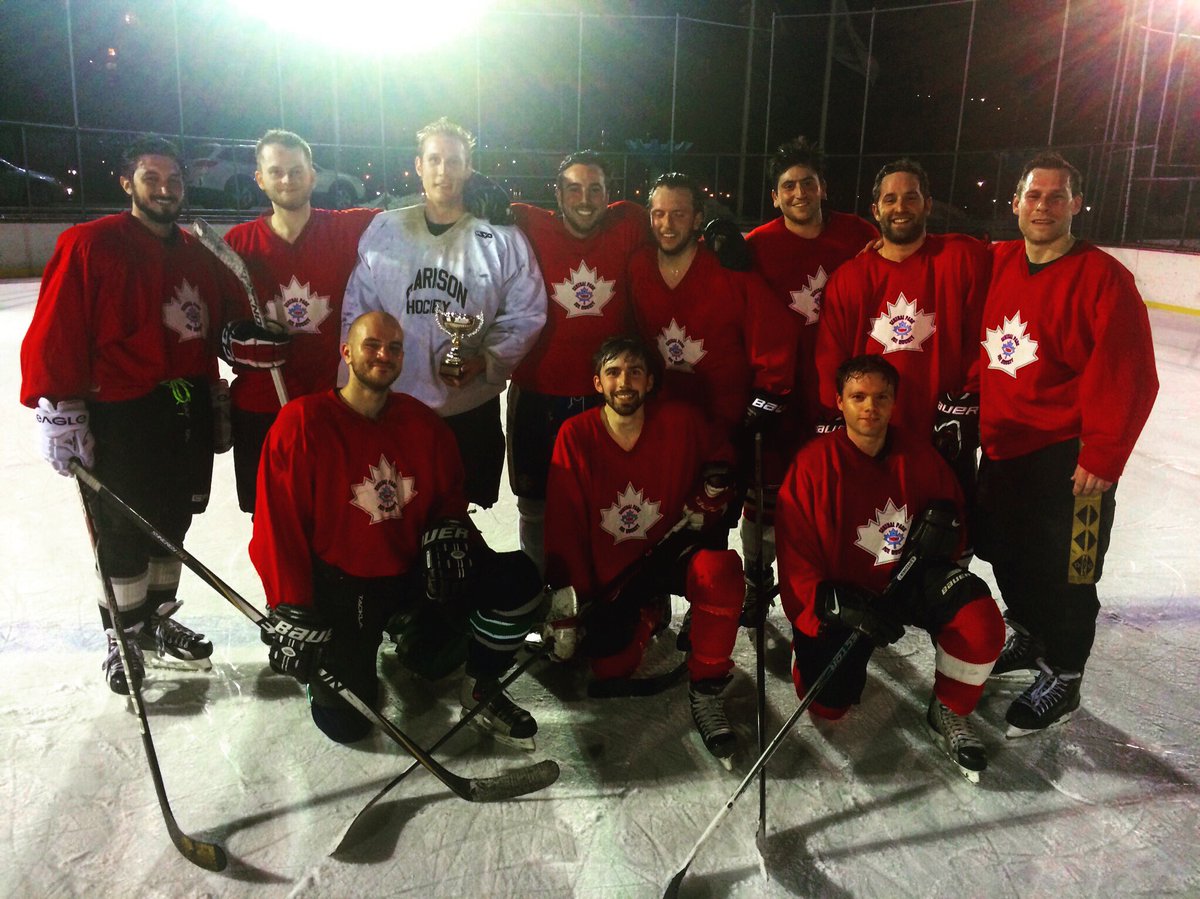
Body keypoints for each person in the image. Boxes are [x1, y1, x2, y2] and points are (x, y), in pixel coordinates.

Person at [249, 310, 545, 746]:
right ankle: (346, 658)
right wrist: (290, 606)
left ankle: (474, 679)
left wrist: (448, 525)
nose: (383, 355)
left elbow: (448, 496)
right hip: (347, 586)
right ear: (346, 352)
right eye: (372, 345)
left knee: (519, 583)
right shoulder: (301, 424)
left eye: (394, 348)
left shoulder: (422, 423)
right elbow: (277, 526)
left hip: (411, 573)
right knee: (346, 723)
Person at [20, 135, 234, 694]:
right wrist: (60, 407)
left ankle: (156, 621)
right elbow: (56, 329)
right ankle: (122, 635)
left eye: (174, 180)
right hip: (119, 413)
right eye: (151, 178)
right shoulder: (90, 243)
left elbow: (219, 327)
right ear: (127, 182)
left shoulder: (194, 252)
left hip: (182, 408)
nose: (165, 190)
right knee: (121, 532)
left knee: (173, 523)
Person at [976, 151, 1158, 737]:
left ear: (1077, 204)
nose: (1044, 207)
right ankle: (1028, 634)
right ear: (1015, 203)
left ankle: (1066, 673)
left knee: (1072, 571)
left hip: (1070, 458)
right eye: (1034, 196)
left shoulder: (1104, 277)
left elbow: (1129, 373)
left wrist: (1103, 455)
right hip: (1004, 449)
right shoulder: (997, 262)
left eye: (1057, 197)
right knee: (1005, 552)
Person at [775, 354, 1005, 780]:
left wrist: (946, 535)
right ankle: (803, 657)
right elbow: (794, 554)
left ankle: (949, 710)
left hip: (904, 582)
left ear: (895, 402)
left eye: (881, 397)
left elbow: (951, 522)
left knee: (979, 620)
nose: (870, 407)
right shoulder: (813, 465)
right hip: (844, 599)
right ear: (839, 402)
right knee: (829, 707)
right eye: (858, 396)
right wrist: (822, 602)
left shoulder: (920, 458)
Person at [544, 336, 746, 766]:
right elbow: (564, 525)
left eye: (635, 371)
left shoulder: (681, 421)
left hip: (668, 551)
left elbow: (722, 458)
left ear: (651, 380)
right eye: (613, 372)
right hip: (613, 572)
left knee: (721, 572)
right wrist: (569, 605)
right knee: (608, 667)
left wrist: (712, 490)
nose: (624, 382)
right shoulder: (575, 436)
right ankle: (648, 611)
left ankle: (708, 687)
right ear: (597, 383)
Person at [342, 117, 545, 509]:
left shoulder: (501, 237)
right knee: (394, 517)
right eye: (434, 160)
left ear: (469, 168)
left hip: (468, 409)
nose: (443, 171)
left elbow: (526, 311)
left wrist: (487, 358)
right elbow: (359, 310)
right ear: (418, 165)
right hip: (394, 407)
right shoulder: (385, 230)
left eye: (454, 161)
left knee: (460, 526)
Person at [742, 136, 880, 616]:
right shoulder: (755, 246)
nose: (798, 193)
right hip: (779, 393)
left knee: (834, 496)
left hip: (840, 396)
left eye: (807, 183)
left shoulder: (859, 235)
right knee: (764, 497)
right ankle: (757, 578)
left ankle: (829, 582)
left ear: (823, 189)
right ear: (775, 197)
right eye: (788, 186)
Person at [222, 129, 380, 514]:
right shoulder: (237, 244)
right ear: (260, 179)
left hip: (333, 404)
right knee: (271, 523)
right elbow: (216, 324)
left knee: (337, 515)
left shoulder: (347, 229)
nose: (287, 180)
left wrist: (467, 192)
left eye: (296, 170)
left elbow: (415, 217)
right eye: (276, 172)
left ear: (313, 175)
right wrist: (233, 343)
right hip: (262, 411)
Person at [815, 158, 990, 503]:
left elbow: (985, 335)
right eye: (890, 200)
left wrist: (968, 403)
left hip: (943, 436)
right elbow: (831, 358)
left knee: (944, 543)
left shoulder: (963, 258)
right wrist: (837, 418)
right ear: (875, 210)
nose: (900, 208)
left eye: (911, 198)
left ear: (927, 204)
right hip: (875, 437)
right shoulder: (849, 278)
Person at [508, 150, 651, 571]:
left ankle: (601, 593)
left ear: (609, 194)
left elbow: (674, 224)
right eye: (574, 189)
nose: (584, 199)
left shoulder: (628, 222)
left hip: (606, 398)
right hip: (537, 393)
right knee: (535, 506)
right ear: (558, 194)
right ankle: (538, 595)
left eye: (595, 189)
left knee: (607, 501)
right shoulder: (528, 223)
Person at [627, 172, 797, 452]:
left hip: (724, 425)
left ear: (697, 218)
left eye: (678, 214)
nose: (666, 225)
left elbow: (775, 336)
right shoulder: (638, 266)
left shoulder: (728, 269)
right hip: (661, 419)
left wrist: (766, 399)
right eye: (658, 214)